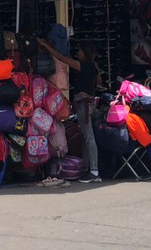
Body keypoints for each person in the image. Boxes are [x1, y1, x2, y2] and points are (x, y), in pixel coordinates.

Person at [39, 37, 104, 183]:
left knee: (89, 138)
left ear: (84, 52)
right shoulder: (94, 67)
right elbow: (99, 83)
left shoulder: (83, 65)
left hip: (83, 105)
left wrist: (46, 46)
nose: (78, 53)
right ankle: (88, 168)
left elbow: (62, 58)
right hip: (91, 104)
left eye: (79, 51)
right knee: (86, 137)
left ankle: (94, 171)